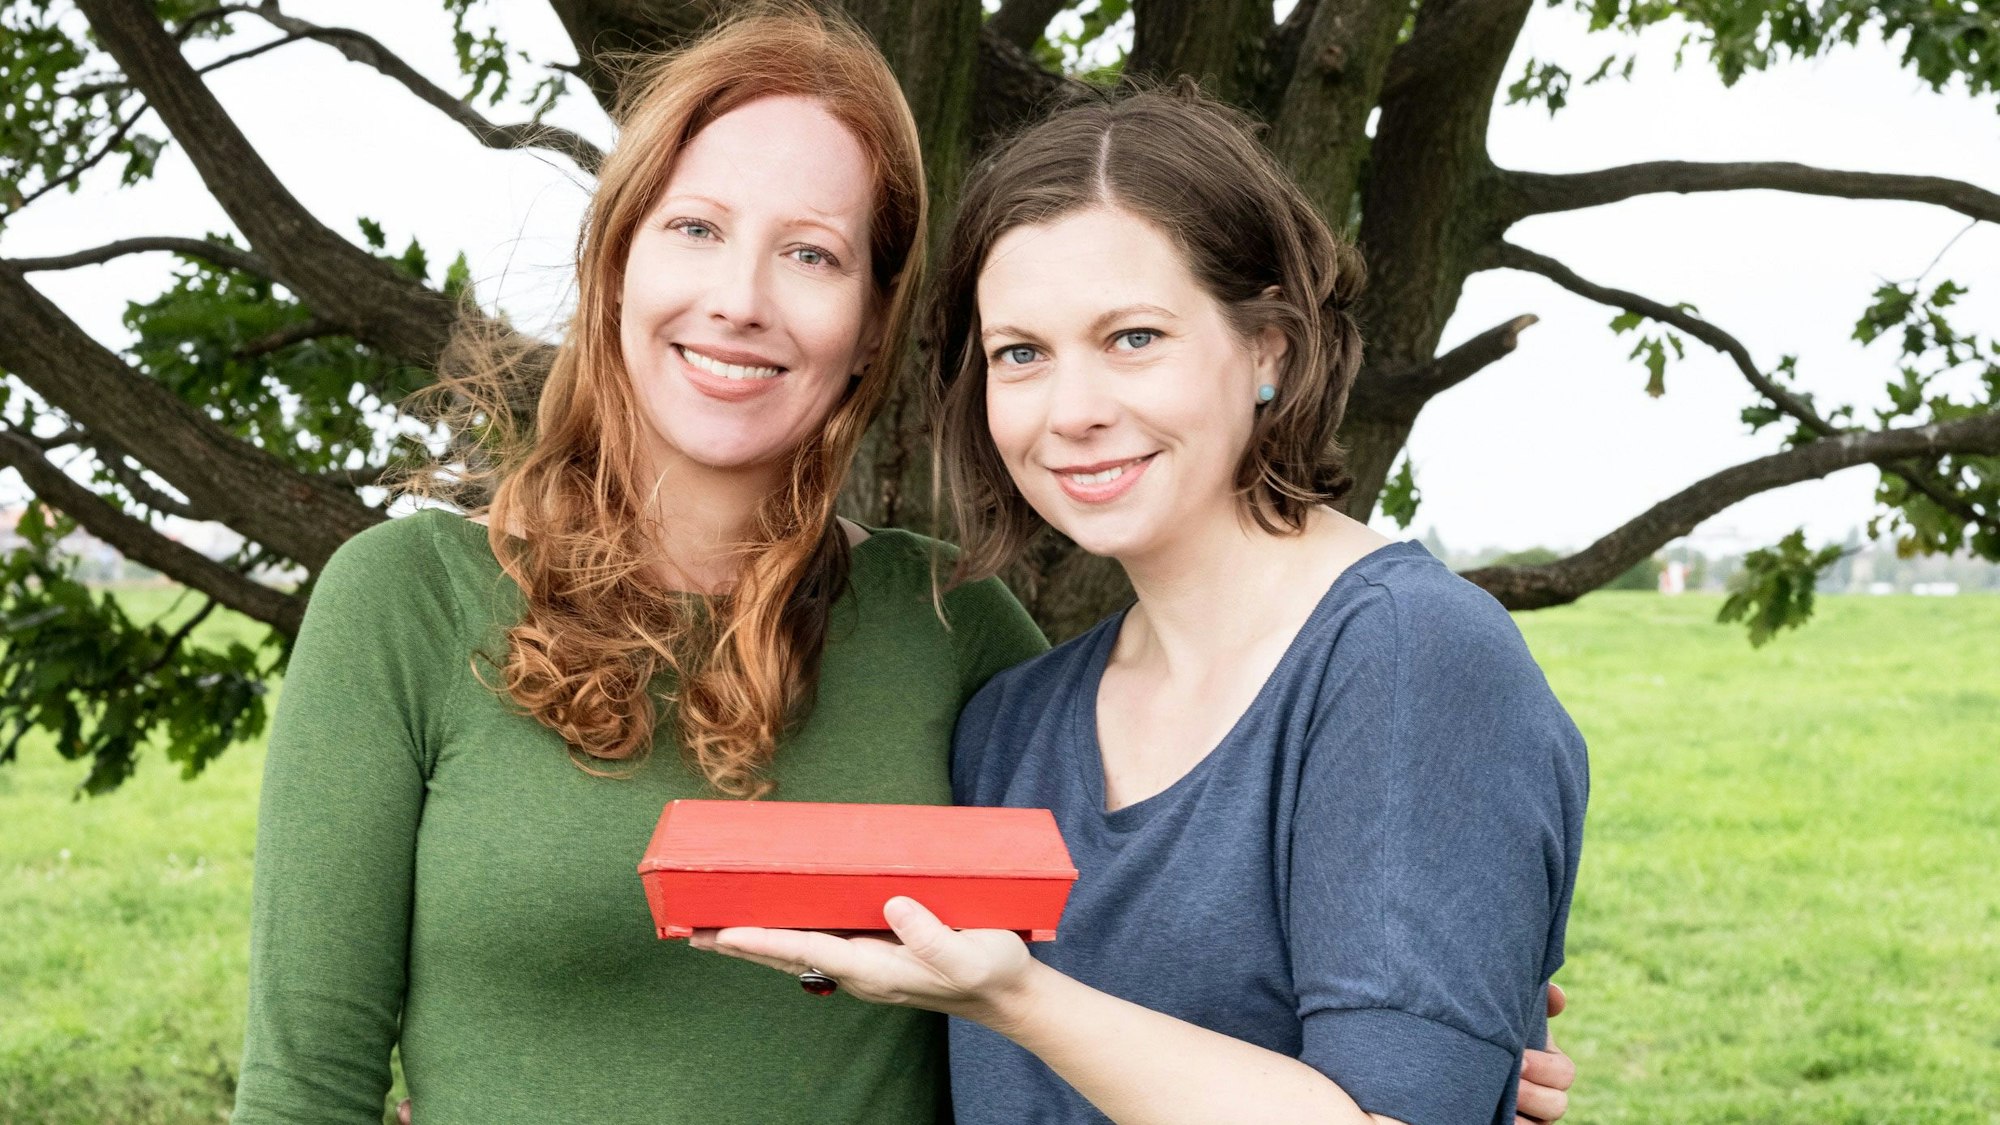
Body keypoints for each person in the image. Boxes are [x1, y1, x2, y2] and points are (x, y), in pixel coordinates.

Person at [694, 86, 1589, 1125]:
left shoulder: (1409, 661)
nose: (1072, 412)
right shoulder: (1009, 724)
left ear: (1270, 349)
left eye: (1131, 338)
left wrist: (1019, 999)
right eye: (1020, 354)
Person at [230, 12, 1046, 1123]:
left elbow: (1091, 1019)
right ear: (613, 260)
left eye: (811, 253)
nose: (741, 298)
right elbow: (305, 1091)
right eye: (696, 228)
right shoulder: (403, 602)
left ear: (869, 323)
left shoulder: (957, 630)